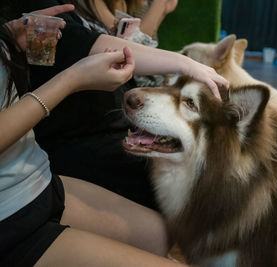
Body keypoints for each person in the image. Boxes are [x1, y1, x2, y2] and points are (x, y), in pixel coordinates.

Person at [0, 5, 188, 266]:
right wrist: (72, 80)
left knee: (162, 235)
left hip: (38, 181)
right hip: (10, 218)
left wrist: (7, 37)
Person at [3, 0, 228, 210]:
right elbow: (86, 44)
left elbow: (126, 50)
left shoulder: (108, 7)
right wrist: (184, 62)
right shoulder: (50, 7)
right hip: (75, 143)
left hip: (109, 126)